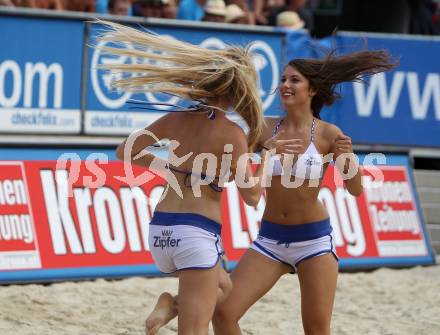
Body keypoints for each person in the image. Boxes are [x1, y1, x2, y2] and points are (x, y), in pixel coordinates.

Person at [96, 21, 297, 335]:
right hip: (195, 235)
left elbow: (125, 150)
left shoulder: (175, 119)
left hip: (160, 231)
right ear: (237, 92)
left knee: (225, 287)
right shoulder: (232, 135)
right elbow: (253, 196)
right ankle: (173, 305)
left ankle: (171, 304)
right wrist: (267, 155)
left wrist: (170, 168)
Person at [213, 50, 396, 335]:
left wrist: (348, 158)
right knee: (223, 313)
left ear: (312, 89)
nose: (285, 84)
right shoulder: (264, 127)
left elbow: (356, 189)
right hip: (270, 239)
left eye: (294, 80)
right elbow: (235, 161)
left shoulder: (328, 134)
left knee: (316, 329)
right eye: (283, 79)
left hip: (314, 242)